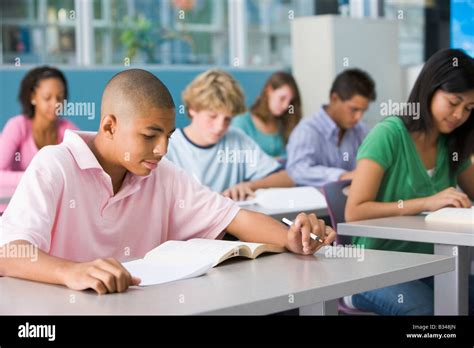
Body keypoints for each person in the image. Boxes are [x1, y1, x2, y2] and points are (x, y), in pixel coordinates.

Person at [0, 69, 336, 294]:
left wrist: (293, 238)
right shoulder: (55, 164)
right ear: (109, 127)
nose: (162, 149)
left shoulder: (162, 176)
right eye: (150, 135)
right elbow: (8, 253)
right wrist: (70, 272)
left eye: (168, 136)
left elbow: (238, 218)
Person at [345, 48, 474, 315]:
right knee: (426, 312)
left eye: (469, 108)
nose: (459, 115)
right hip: (371, 267)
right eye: (454, 102)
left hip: (430, 264)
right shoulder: (388, 135)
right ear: (430, 89)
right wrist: (427, 202)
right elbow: (355, 211)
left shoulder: (451, 143)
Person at [166, 69, 294, 201]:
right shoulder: (169, 146)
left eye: (227, 119)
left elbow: (287, 178)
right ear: (193, 109)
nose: (220, 126)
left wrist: (250, 186)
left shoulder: (237, 139)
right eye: (212, 116)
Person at [0, 66, 78, 210]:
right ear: (33, 98)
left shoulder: (68, 130)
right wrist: (37, 177)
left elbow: (80, 172)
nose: (55, 104)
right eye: (47, 98)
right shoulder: (17, 126)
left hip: (50, 209)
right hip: (12, 208)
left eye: (60, 97)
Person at [286, 69, 376, 188]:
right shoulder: (307, 130)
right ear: (334, 99)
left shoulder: (361, 131)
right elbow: (296, 171)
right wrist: (341, 176)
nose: (359, 117)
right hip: (314, 203)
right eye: (354, 109)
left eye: (363, 111)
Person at [232, 71, 302, 159]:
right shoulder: (242, 122)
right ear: (269, 91)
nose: (286, 106)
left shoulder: (285, 123)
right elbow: (237, 160)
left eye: (290, 102)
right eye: (282, 98)